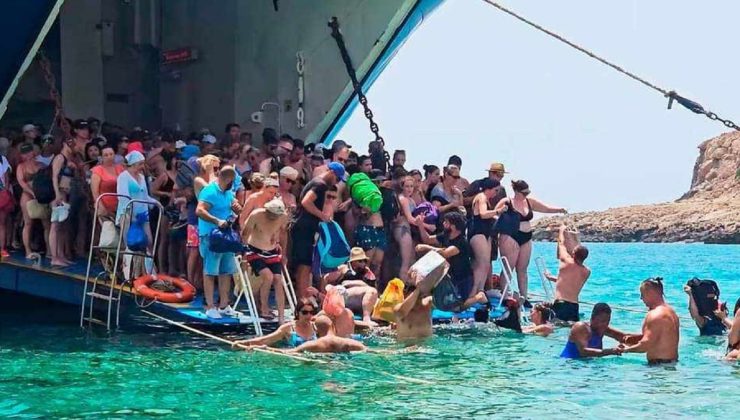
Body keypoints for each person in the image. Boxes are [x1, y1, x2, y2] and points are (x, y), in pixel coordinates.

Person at [493, 180, 567, 304]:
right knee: (508, 267)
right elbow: (494, 214)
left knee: (522, 269)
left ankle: (524, 296)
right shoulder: (507, 201)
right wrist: (506, 218)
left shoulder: (529, 202)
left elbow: (545, 208)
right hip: (511, 235)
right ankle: (505, 296)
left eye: (528, 192)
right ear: (516, 191)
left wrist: (560, 210)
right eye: (524, 193)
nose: (526, 195)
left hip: (526, 236)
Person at [290, 162, 345, 298]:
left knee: (306, 265)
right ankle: (303, 300)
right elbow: (306, 202)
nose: (336, 182)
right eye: (337, 178)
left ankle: (303, 298)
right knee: (305, 266)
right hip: (304, 227)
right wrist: (322, 216)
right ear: (331, 173)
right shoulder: (320, 185)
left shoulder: (317, 182)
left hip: (304, 227)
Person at [195, 165, 243, 319]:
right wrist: (216, 221)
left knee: (226, 271)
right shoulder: (210, 191)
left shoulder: (228, 193)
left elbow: (235, 210)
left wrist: (237, 209)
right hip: (211, 236)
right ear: (228, 178)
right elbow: (200, 210)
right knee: (210, 271)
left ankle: (224, 305)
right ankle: (209, 306)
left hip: (226, 237)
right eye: (233, 180)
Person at [416, 212, 487, 311]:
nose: (443, 224)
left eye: (446, 222)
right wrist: (420, 224)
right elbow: (427, 239)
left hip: (463, 279)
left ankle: (479, 297)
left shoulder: (461, 242)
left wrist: (425, 248)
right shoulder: (445, 236)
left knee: (457, 308)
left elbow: (445, 253)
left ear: (453, 227)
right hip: (450, 277)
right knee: (441, 302)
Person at [242, 198, 289, 323]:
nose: (274, 217)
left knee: (278, 279)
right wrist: (243, 256)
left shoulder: (283, 217)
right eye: (272, 214)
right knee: (268, 276)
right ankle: (264, 308)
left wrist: (283, 253)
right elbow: (245, 234)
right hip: (254, 250)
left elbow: (283, 234)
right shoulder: (256, 215)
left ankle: (281, 316)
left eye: (276, 215)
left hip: (272, 251)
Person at [619, 278, 680, 364]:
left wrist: (625, 350)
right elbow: (660, 337)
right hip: (672, 364)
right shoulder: (672, 313)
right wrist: (634, 339)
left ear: (650, 293)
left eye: (642, 294)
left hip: (658, 367)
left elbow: (645, 345)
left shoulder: (655, 314)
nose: (641, 298)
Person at [544, 225, 591, 322]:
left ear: (573, 253)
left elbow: (561, 244)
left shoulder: (567, 262)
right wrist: (551, 277)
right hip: (574, 306)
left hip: (561, 304)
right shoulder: (586, 271)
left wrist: (561, 231)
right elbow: (569, 282)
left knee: (555, 328)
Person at [322, 247, 379, 325]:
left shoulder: (367, 272)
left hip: (361, 298)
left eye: (364, 261)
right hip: (344, 296)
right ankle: (366, 318)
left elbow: (373, 289)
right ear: (353, 262)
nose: (363, 263)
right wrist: (323, 294)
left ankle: (369, 317)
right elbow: (326, 278)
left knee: (374, 294)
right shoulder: (343, 269)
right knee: (371, 291)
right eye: (360, 261)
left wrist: (357, 283)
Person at [233, 298, 319, 348]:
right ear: (297, 313)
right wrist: (243, 343)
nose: (308, 315)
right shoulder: (288, 328)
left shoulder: (316, 327)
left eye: (311, 312)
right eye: (305, 312)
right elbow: (266, 339)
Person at [468, 178, 504, 295]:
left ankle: (480, 290)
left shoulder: (486, 199)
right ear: (489, 188)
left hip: (485, 234)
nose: (496, 193)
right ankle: (474, 291)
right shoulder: (482, 197)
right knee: (481, 263)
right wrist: (498, 211)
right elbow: (483, 214)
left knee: (486, 264)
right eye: (495, 190)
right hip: (478, 234)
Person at [16, 143, 51, 258]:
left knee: (46, 224)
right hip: (27, 196)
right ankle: (28, 251)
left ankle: (49, 251)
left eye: (29, 152)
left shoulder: (41, 165)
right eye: (24, 153)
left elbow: (47, 181)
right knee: (28, 223)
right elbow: (22, 183)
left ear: (33, 152)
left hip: (41, 196)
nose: (28, 155)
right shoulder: (21, 167)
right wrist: (32, 193)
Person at [394, 264, 445, 341]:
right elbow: (402, 311)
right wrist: (418, 289)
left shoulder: (428, 303)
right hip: (406, 349)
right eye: (410, 290)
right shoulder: (398, 309)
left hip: (427, 349)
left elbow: (444, 296)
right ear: (404, 294)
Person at [279, 316, 366, 354]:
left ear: (316, 330)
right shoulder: (351, 343)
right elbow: (368, 351)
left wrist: (267, 348)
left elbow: (289, 352)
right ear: (332, 326)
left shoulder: (313, 344)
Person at [90, 145, 124, 218]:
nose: (109, 157)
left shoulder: (120, 168)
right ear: (101, 157)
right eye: (106, 155)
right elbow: (95, 192)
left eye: (111, 154)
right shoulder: (97, 170)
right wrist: (100, 206)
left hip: (120, 206)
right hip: (104, 206)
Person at [0, 147, 13, 258]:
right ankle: (2, 249)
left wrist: (5, 191)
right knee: (2, 224)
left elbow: (7, 177)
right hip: (2, 193)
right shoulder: (2, 159)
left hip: (2, 195)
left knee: (2, 223)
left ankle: (2, 249)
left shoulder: (2, 159)